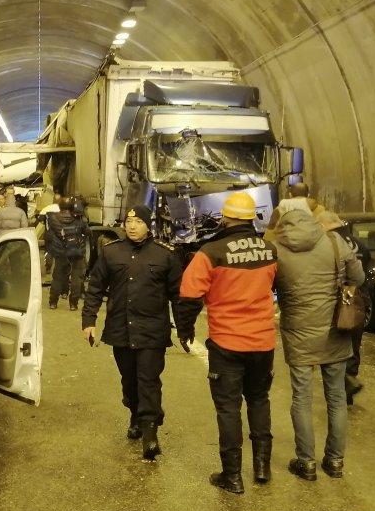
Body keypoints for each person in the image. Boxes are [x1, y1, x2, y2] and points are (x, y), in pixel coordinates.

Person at [180, 192, 278, 494]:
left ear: (226, 217)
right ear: (251, 218)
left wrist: (185, 332)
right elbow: (275, 287)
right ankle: (262, 468)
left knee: (228, 408)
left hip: (227, 343)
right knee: (259, 400)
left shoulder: (211, 252)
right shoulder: (269, 249)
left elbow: (189, 297)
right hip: (263, 342)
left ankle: (232, 476)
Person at [83, 206, 196, 459]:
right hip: (120, 330)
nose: (132, 226)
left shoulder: (165, 255)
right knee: (129, 381)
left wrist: (184, 329)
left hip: (152, 332)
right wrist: (88, 320)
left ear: (148, 225)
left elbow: (178, 296)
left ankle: (150, 433)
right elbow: (95, 288)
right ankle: (135, 413)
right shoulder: (111, 253)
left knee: (149, 381)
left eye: (138, 221)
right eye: (128, 221)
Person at [271, 210, 364, 481]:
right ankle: (335, 461)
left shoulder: (276, 249)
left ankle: (306, 462)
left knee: (302, 397)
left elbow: (268, 285)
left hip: (298, 328)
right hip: (334, 328)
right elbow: (357, 279)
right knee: (336, 397)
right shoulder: (335, 242)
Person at [317, 211, 373, 405]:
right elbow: (361, 274)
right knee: (353, 340)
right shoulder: (360, 244)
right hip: (356, 297)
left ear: (325, 226)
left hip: (339, 295)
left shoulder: (329, 243)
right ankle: (350, 379)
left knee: (335, 340)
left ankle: (343, 385)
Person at [46, 197, 90, 310]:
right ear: (72, 206)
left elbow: (50, 235)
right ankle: (73, 304)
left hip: (61, 253)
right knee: (76, 279)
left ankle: (53, 302)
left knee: (57, 278)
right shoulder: (79, 219)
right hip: (77, 253)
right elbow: (87, 232)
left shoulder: (53, 218)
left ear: (59, 207)